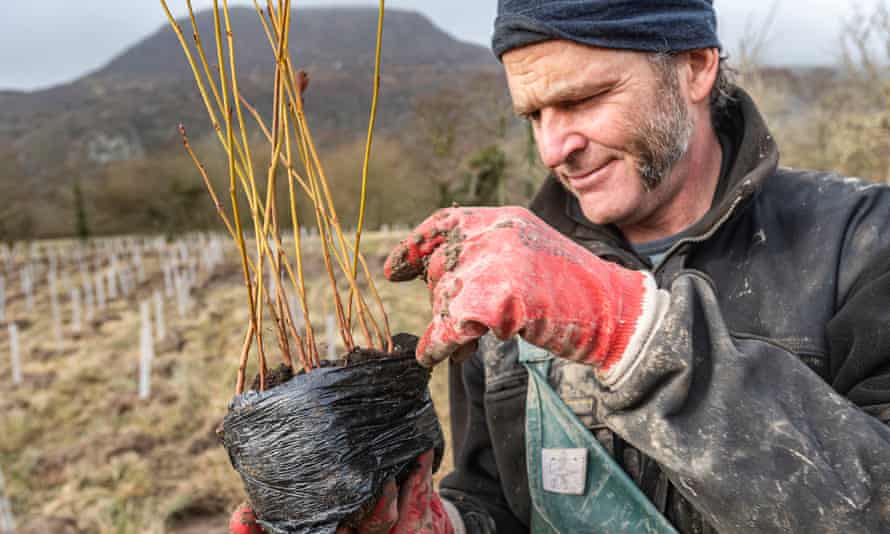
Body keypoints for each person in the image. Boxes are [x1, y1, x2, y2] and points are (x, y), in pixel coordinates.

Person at [232, 1, 890, 532]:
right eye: (534, 115)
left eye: (583, 99)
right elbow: (497, 494)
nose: (553, 147)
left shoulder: (861, 245)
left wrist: (624, 328)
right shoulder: (503, 276)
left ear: (695, 66)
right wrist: (443, 525)